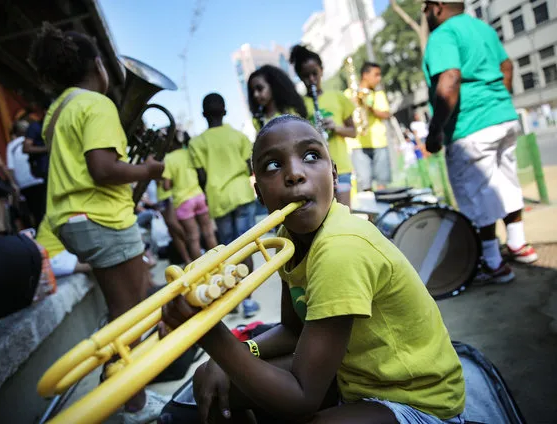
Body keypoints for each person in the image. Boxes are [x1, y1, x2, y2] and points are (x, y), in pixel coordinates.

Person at [161, 115, 465, 424]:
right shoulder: (287, 242)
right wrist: (242, 351)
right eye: (272, 166)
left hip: (417, 401)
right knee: (219, 387)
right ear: (259, 194)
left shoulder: (340, 248)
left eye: (311, 156)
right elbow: (294, 330)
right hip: (356, 381)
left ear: (334, 175)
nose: (294, 173)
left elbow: (301, 397)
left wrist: (212, 337)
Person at [27, 23, 168, 422]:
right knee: (131, 318)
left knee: (126, 312)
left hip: (76, 220)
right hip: (102, 218)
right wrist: (147, 170)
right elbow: (103, 168)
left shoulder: (59, 111)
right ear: (97, 66)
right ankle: (132, 407)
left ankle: (123, 397)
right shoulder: (97, 104)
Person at [423, 0, 537, 283]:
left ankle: (493, 262)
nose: (425, 14)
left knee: (478, 194)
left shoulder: (443, 34)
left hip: (470, 127)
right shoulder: (481, 28)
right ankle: (517, 244)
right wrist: (497, 102)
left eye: (425, 7)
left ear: (436, 7)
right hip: (502, 117)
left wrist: (436, 129)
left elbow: (449, 80)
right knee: (507, 182)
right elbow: (506, 66)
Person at [188, 93, 260, 319]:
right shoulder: (238, 136)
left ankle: (232, 296)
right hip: (241, 194)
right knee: (245, 247)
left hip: (218, 199)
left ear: (203, 115)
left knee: (228, 252)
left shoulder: (196, 143)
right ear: (225, 111)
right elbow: (251, 168)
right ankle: (248, 300)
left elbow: (201, 176)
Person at [289, 45, 356, 207]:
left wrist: (336, 128)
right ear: (299, 76)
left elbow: (353, 132)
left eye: (314, 73)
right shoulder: (297, 107)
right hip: (313, 171)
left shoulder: (338, 97)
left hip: (340, 166)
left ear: (321, 70)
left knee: (343, 216)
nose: (311, 79)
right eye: (306, 76)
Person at [162, 128, 217, 260]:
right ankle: (219, 262)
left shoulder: (168, 159)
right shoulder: (188, 153)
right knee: (209, 233)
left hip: (183, 201)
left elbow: (166, 186)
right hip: (199, 196)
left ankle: (202, 271)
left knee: (193, 238)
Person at [351, 62, 392, 192]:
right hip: (359, 145)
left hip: (379, 143)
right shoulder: (350, 93)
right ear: (365, 75)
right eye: (376, 75)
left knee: (382, 185)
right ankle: (371, 213)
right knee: (365, 187)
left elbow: (386, 114)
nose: (379, 78)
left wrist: (368, 107)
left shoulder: (378, 94)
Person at [7, 120, 47, 228]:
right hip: (39, 179)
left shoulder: (11, 146)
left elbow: (10, 168)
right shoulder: (36, 140)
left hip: (24, 183)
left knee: (33, 213)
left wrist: (14, 184)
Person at [247, 65, 307, 132]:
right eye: (252, 91)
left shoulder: (291, 112)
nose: (255, 95)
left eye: (260, 88)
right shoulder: (257, 121)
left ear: (273, 86)